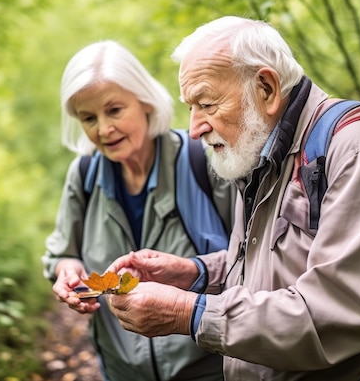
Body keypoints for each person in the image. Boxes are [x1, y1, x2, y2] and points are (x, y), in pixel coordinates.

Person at [105, 16, 360, 380]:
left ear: (266, 89)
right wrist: (196, 274)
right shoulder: (261, 153)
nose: (194, 129)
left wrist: (186, 313)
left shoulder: (358, 152)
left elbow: (337, 316)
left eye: (206, 104)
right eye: (191, 108)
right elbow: (275, 267)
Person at [41, 40, 235, 381]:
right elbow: (63, 253)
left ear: (145, 102)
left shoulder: (203, 160)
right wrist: (67, 275)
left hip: (210, 368)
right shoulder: (84, 174)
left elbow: (253, 259)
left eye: (114, 110)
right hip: (119, 369)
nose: (103, 129)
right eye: (88, 118)